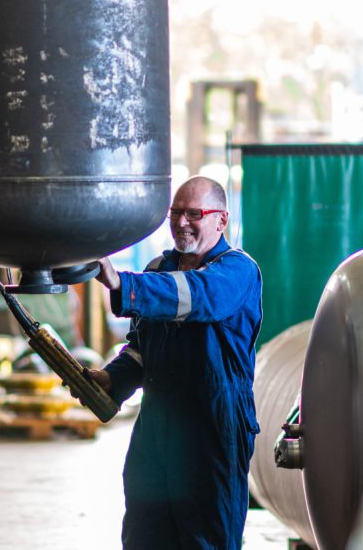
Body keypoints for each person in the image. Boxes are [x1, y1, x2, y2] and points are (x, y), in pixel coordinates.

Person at [85, 175, 263, 550]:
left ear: (221, 220)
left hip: (212, 426)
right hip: (157, 423)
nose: (182, 222)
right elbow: (141, 348)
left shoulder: (238, 271)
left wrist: (124, 284)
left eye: (194, 213)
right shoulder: (158, 269)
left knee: (205, 537)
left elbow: (197, 297)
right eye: (176, 212)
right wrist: (111, 379)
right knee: (145, 532)